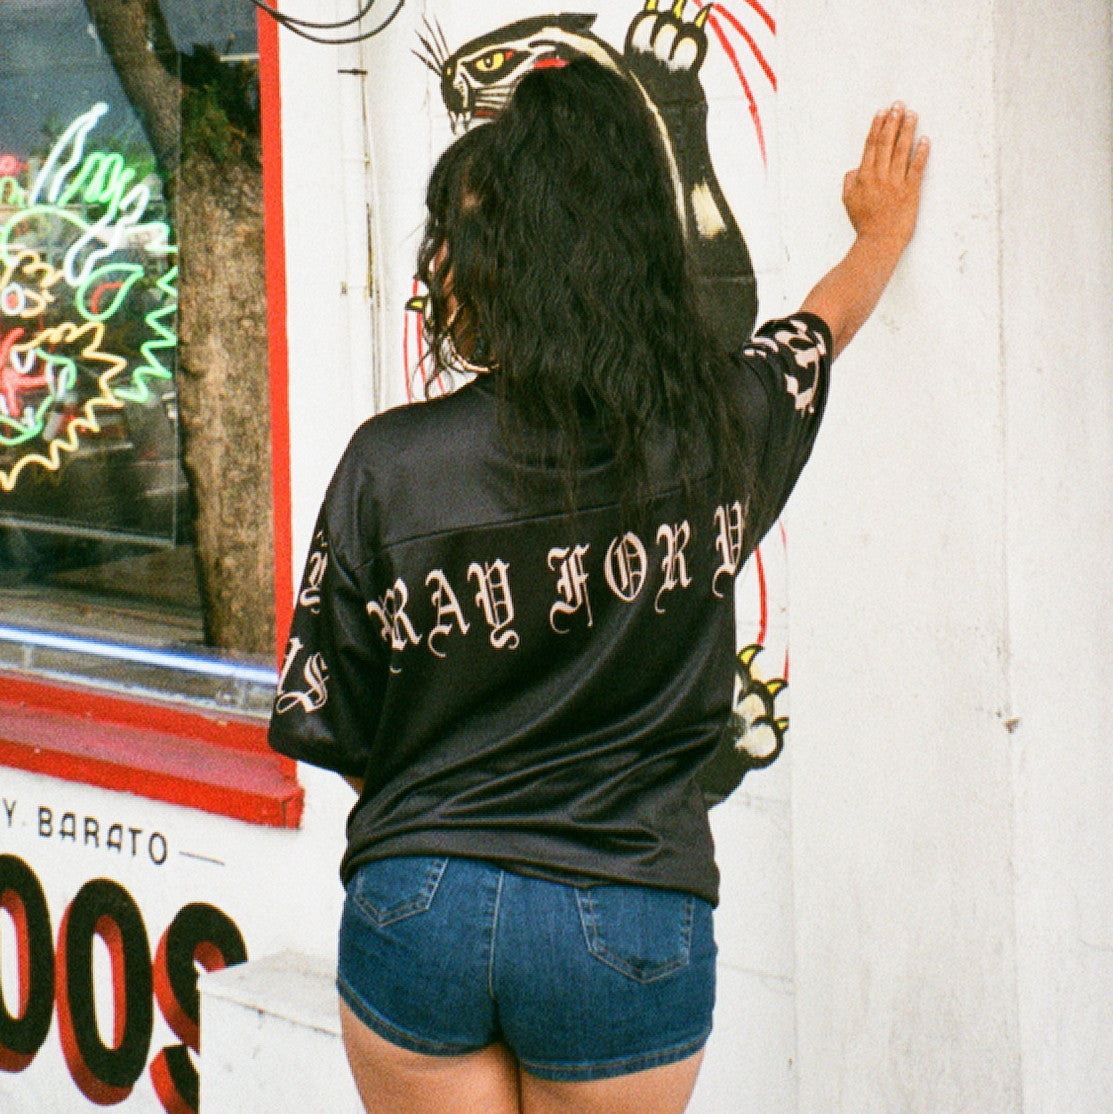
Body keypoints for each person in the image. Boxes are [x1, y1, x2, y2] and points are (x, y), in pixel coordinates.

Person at [269, 58, 928, 1114]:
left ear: (493, 269)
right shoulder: (725, 428)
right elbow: (818, 331)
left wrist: (454, 817)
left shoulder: (388, 466)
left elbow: (334, 722)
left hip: (419, 902)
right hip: (629, 913)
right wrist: (880, 235)